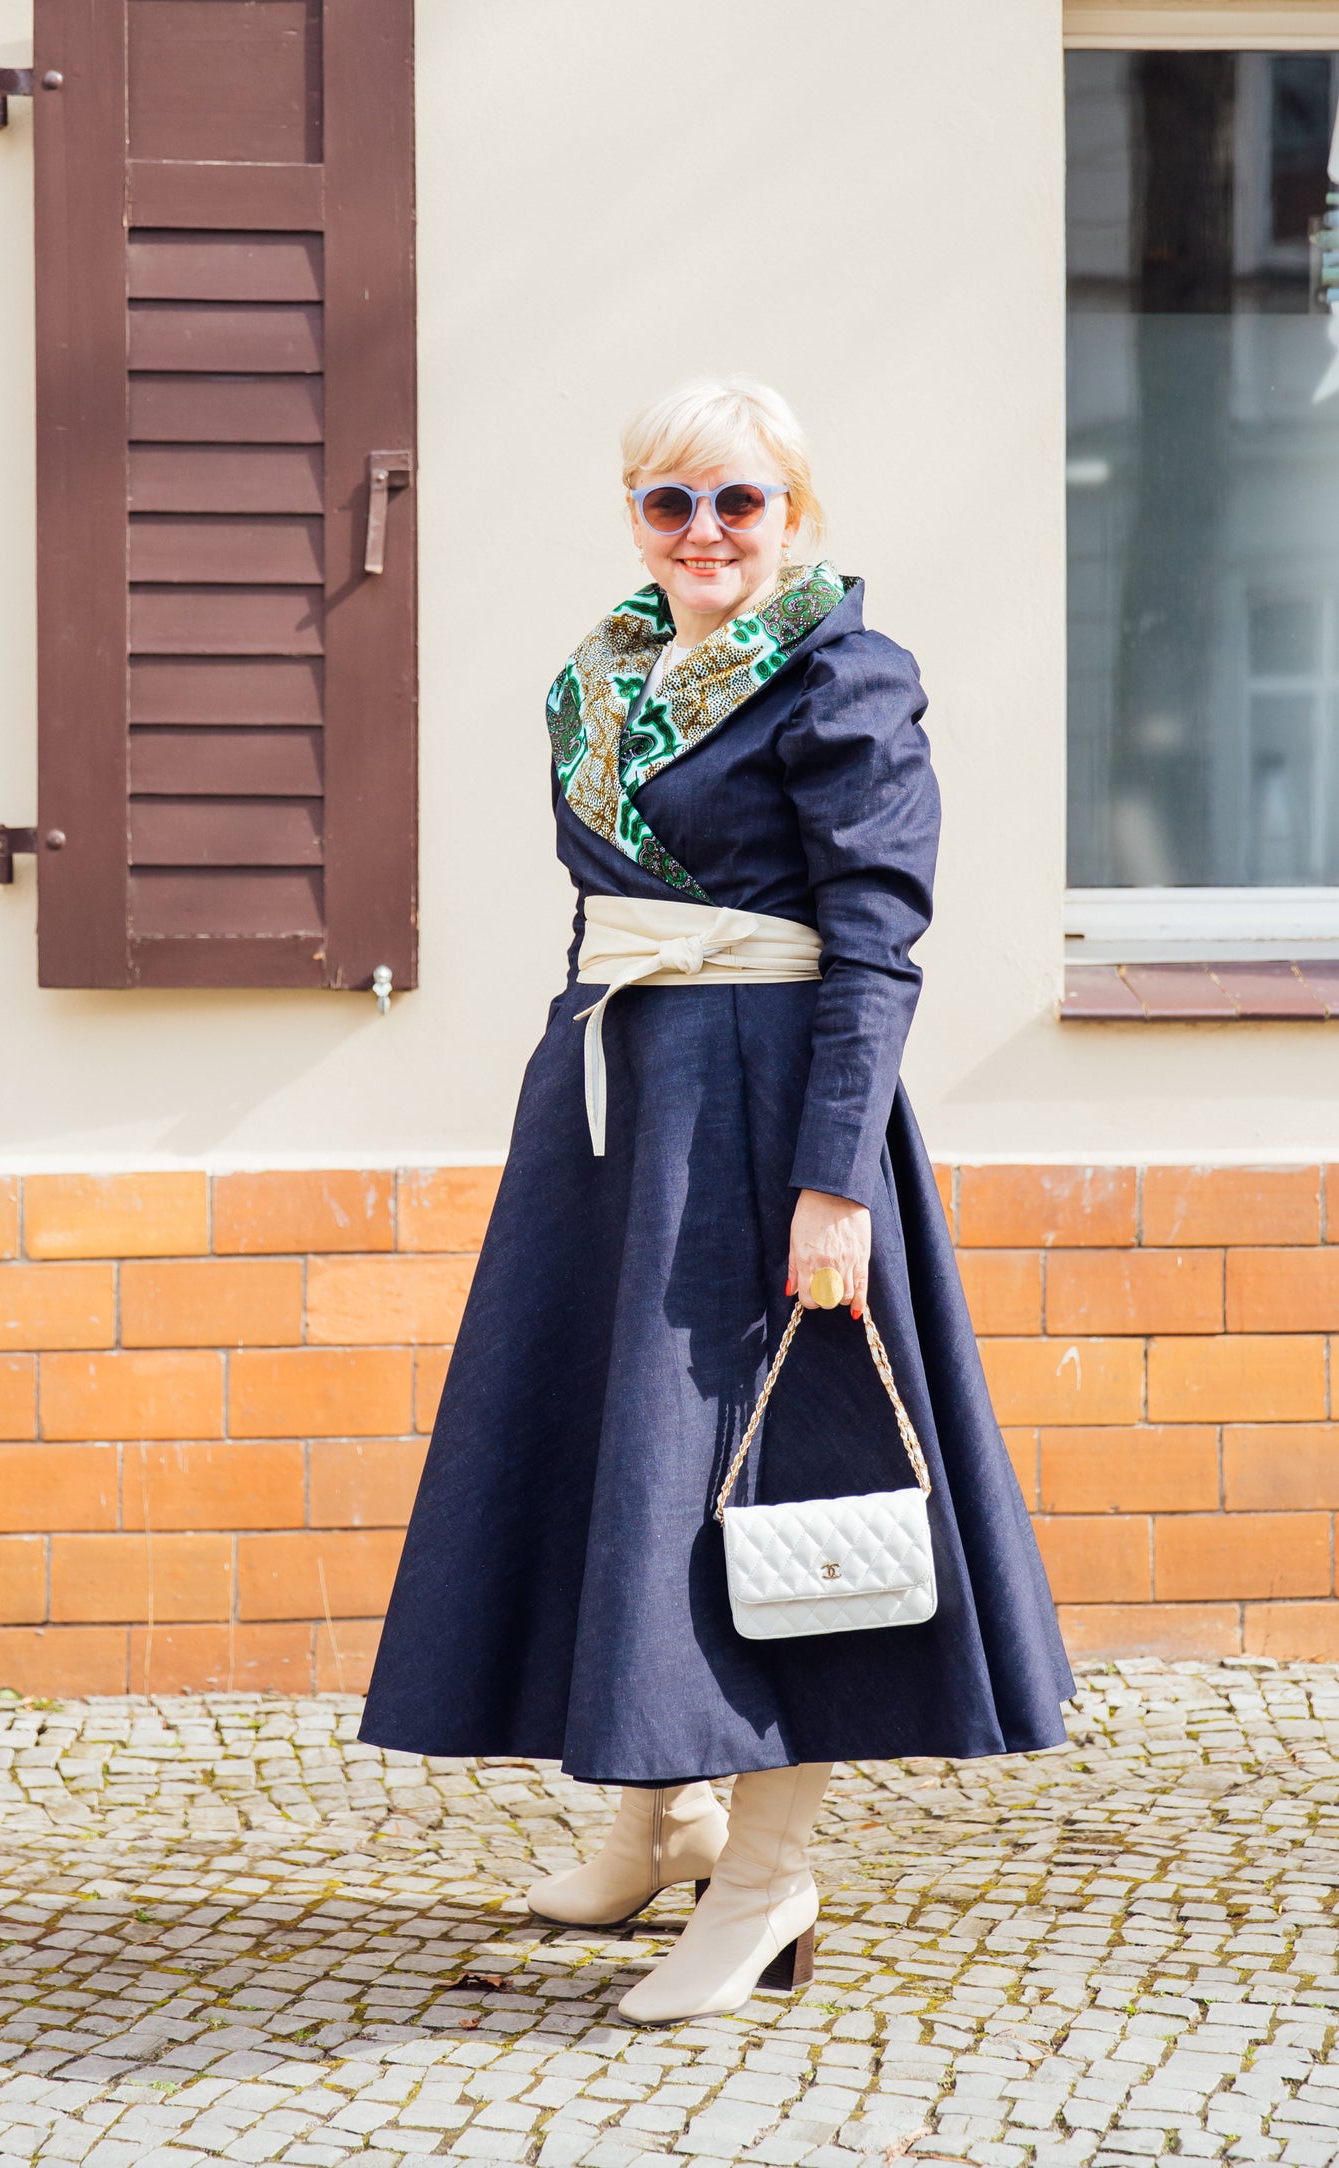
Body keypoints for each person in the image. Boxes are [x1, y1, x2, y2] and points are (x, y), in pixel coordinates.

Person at [359, 377, 1073, 2025]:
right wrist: (574, 1125)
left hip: (766, 1115)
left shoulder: (843, 675)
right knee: (619, 1458)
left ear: (793, 515)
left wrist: (834, 1183)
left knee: (763, 1480)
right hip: (619, 1109)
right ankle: (652, 1821)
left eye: (737, 503)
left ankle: (763, 1877)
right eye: (669, 503)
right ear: (632, 516)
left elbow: (877, 942)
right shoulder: (600, 679)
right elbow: (596, 911)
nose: (703, 534)